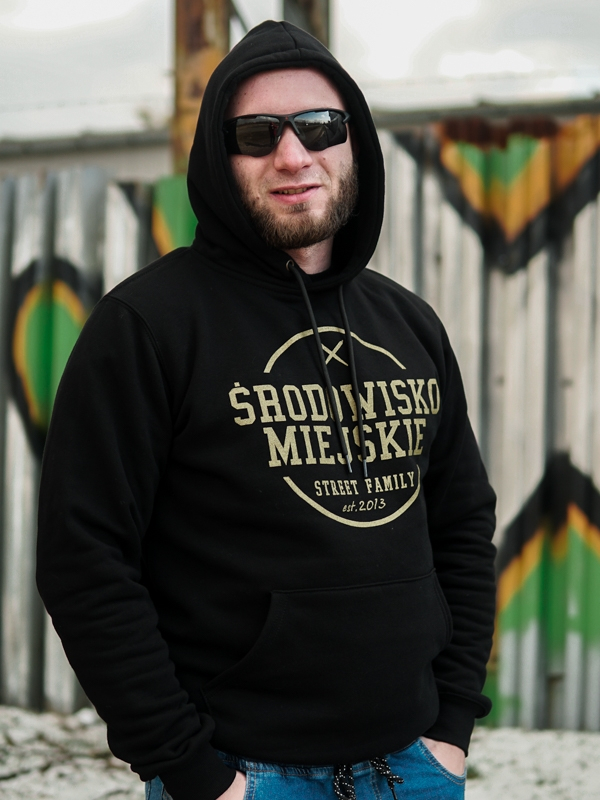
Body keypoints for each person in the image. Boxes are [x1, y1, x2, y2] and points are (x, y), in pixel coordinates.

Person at [37, 20, 496, 800]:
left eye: (319, 126)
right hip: (247, 775)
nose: (292, 155)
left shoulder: (409, 324)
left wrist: (451, 726)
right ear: (219, 159)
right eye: (256, 134)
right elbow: (85, 560)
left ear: (354, 143)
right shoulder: (147, 326)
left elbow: (463, 524)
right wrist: (194, 772)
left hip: (415, 767)